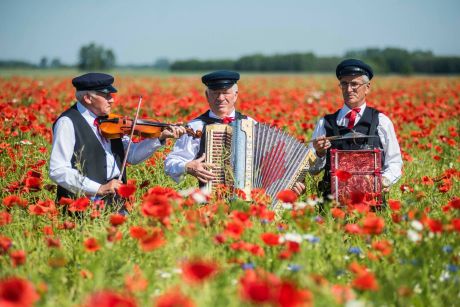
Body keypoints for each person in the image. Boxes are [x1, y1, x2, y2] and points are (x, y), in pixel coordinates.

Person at [49, 72, 186, 205]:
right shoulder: (67, 122)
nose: (112, 100)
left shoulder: (112, 122)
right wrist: (98, 189)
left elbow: (131, 155)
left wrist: (159, 137)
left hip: (116, 201)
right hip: (82, 204)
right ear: (88, 98)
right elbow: (58, 170)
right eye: (106, 95)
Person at [292, 59, 403, 197]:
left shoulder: (381, 122)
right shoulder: (325, 123)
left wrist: (383, 182)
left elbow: (394, 162)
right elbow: (313, 171)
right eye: (344, 84)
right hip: (331, 205)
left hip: (370, 204)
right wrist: (319, 153)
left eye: (354, 84)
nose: (349, 89)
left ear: (367, 87)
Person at [165, 70, 253, 185]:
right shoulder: (195, 127)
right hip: (210, 199)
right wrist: (187, 166)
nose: (221, 98)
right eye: (215, 93)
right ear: (207, 96)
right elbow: (170, 163)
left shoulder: (250, 124)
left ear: (235, 95)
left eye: (226, 92)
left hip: (248, 200)